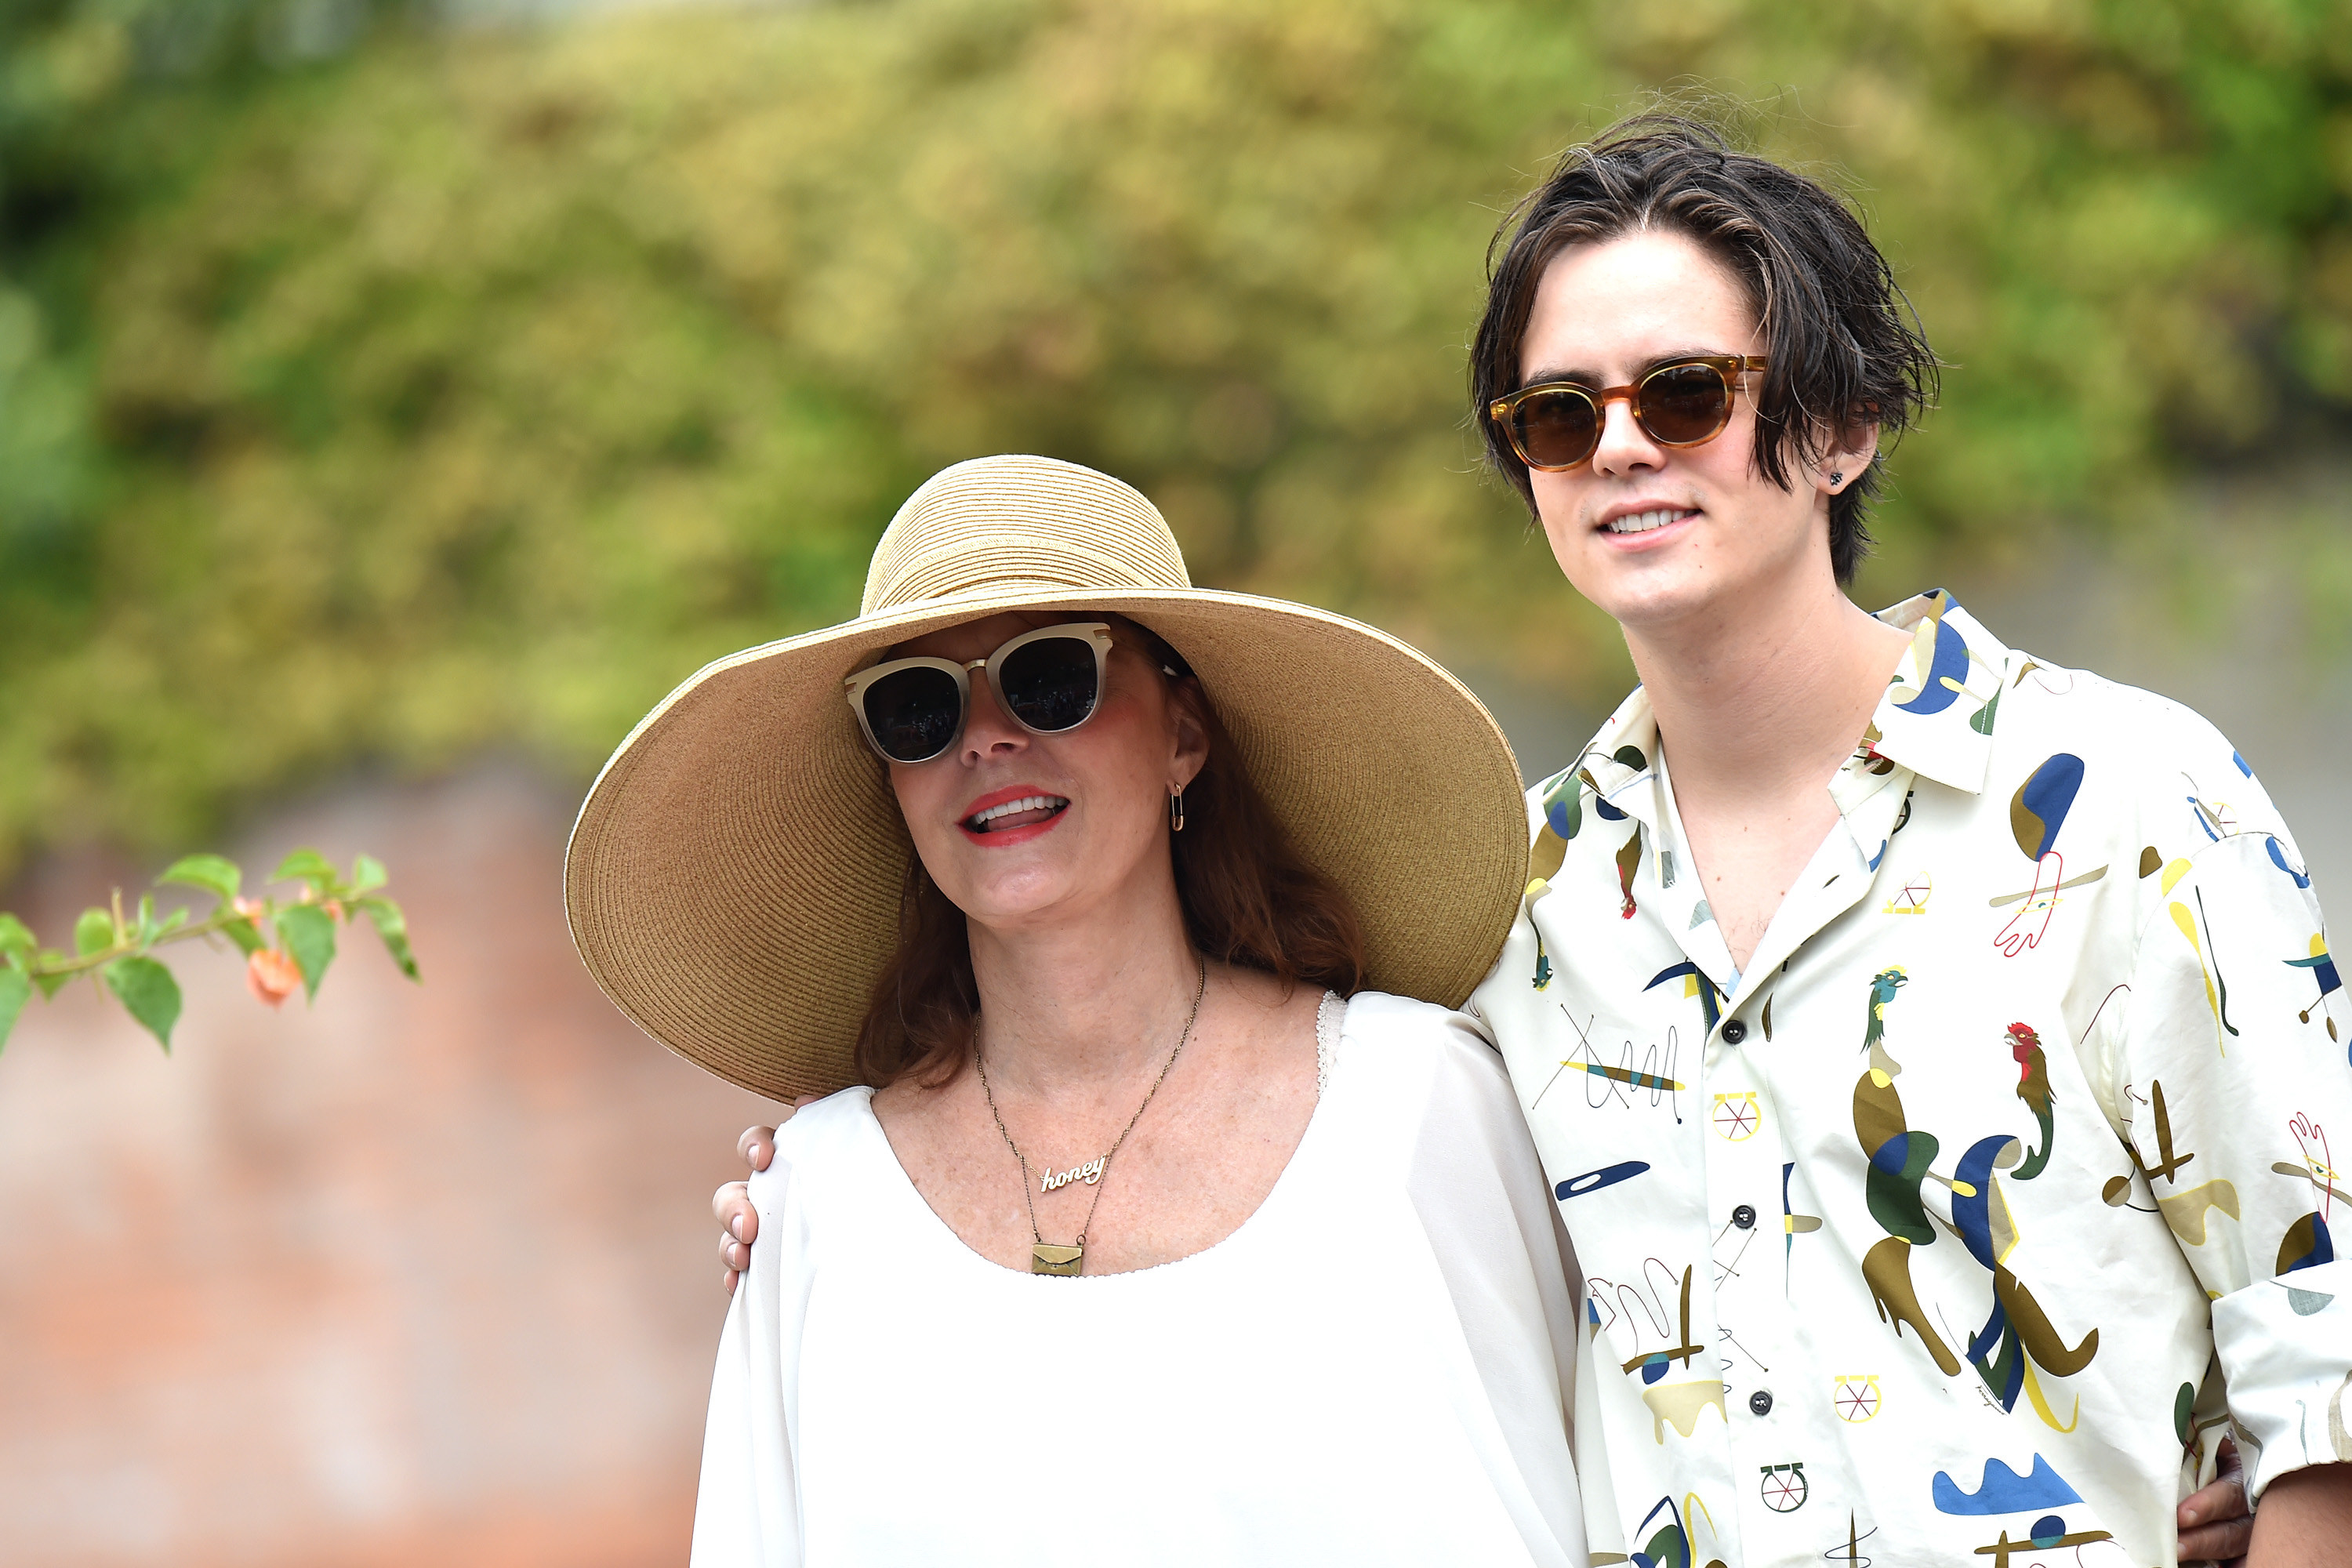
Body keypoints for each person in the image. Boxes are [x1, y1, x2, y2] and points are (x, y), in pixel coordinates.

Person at [717, 119, 2311, 1563]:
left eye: (1684, 393)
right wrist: (833, 1210)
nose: (1619, 445)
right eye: (1560, 414)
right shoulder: (1513, 914)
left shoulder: (2128, 798)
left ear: (1843, 430)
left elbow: (2330, 1352)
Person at [569, 455, 1590, 1565]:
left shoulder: (1418, 1101)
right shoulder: (811, 1203)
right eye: (918, 707)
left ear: (1183, 736)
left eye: (1050, 677)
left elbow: (1590, 1496)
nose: (986, 737)